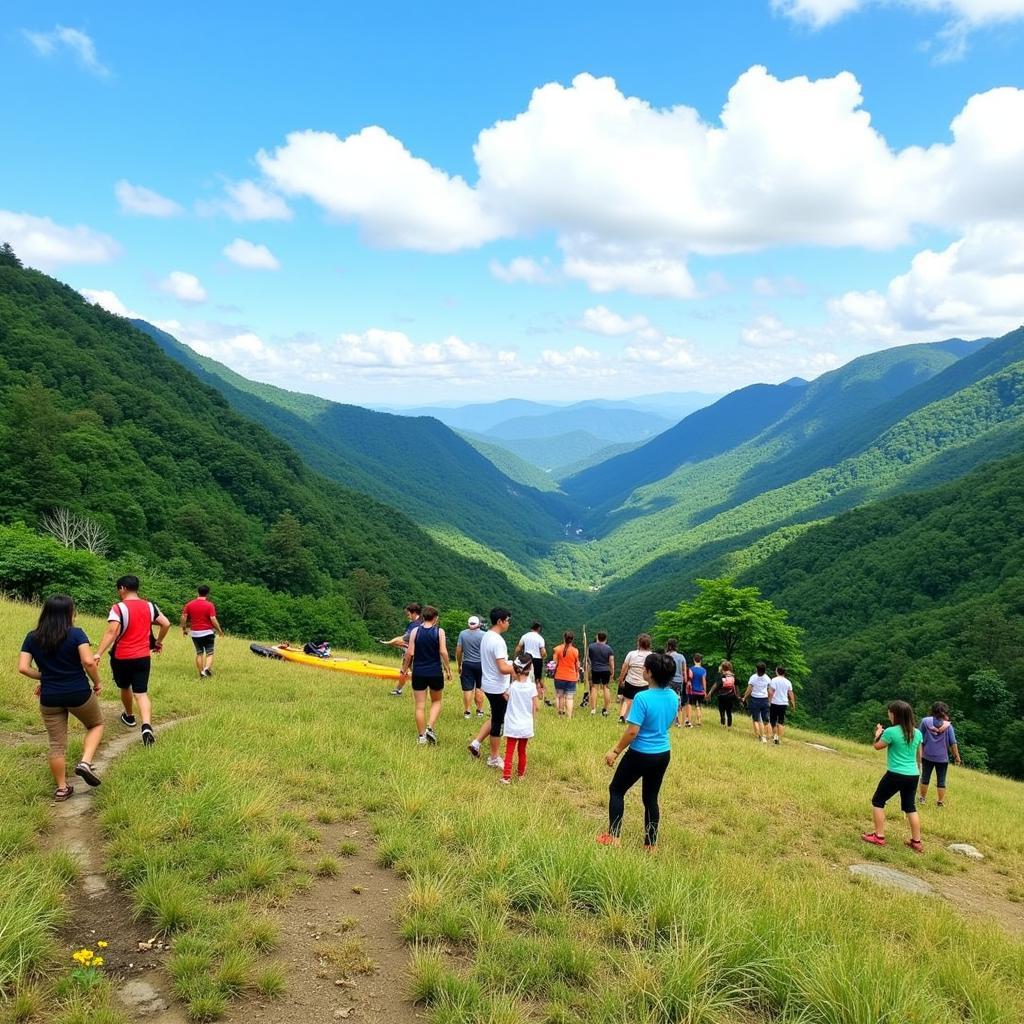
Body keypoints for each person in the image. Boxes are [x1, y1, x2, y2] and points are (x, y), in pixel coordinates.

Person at [18, 595, 105, 801]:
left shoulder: (32, 637)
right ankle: (85, 762)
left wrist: (45, 676)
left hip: (49, 696)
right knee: (96, 724)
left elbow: (23, 667)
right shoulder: (76, 634)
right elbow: (88, 662)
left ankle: (62, 789)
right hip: (78, 693)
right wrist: (98, 683)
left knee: (56, 744)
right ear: (69, 613)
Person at [598, 652, 679, 850]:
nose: (643, 670)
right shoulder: (673, 696)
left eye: (645, 668)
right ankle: (650, 845)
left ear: (650, 674)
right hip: (662, 753)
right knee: (651, 799)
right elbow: (669, 723)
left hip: (640, 753)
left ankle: (614, 838)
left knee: (616, 790)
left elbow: (633, 731)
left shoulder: (642, 697)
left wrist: (615, 751)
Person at [94, 575, 170, 747]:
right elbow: (166, 624)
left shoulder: (118, 608)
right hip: (143, 656)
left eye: (118, 590)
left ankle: (129, 716)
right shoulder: (150, 606)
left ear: (122, 588)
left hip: (122, 657)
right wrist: (158, 642)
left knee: (125, 687)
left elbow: (112, 631)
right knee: (141, 693)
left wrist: (98, 653)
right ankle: (146, 726)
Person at [862, 700, 924, 853]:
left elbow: (877, 747)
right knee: (910, 807)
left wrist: (877, 735)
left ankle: (879, 836)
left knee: (878, 801)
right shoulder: (917, 733)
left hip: (895, 773)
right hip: (913, 774)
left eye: (889, 712)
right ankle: (916, 841)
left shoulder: (891, 731)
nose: (888, 715)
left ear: (895, 714)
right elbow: (919, 755)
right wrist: (918, 770)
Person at [468, 608, 515, 767]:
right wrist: (519, 668)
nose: (509, 623)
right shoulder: (498, 641)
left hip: (488, 683)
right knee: (498, 722)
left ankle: (476, 743)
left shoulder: (487, 636)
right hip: (498, 687)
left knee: (496, 715)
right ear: (501, 621)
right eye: (508, 620)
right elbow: (502, 667)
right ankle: (494, 758)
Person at [399, 606, 451, 745]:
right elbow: (443, 652)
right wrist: (448, 669)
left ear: (423, 617)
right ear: (435, 618)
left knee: (420, 705)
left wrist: (404, 669)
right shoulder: (439, 632)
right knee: (436, 701)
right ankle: (430, 727)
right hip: (435, 672)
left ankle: (422, 737)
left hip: (419, 672)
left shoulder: (415, 631)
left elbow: (409, 653)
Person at [500, 655, 538, 785]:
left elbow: (506, 696)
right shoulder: (532, 687)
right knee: (522, 751)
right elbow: (535, 706)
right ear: (530, 669)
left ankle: (506, 777)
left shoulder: (513, 686)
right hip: (526, 724)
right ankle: (521, 775)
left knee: (509, 751)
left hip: (512, 724)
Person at [918, 702, 962, 807]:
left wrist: (919, 753)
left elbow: (919, 737)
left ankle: (922, 799)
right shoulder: (948, 726)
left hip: (927, 755)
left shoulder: (925, 722)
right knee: (941, 780)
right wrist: (957, 757)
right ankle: (940, 802)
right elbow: (953, 743)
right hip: (942, 758)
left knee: (925, 777)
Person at [180, 585, 224, 680]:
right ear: (207, 593)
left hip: (195, 633)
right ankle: (206, 669)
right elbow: (213, 619)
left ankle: (201, 674)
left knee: (199, 653)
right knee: (210, 653)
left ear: (197, 592)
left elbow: (183, 617)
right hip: (208, 632)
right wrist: (219, 630)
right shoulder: (209, 605)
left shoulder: (189, 604)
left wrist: (184, 629)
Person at [387, 603, 423, 696]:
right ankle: (398, 690)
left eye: (408, 614)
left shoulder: (416, 625)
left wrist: (394, 642)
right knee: (409, 671)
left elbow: (406, 638)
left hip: (411, 652)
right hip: (412, 651)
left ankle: (400, 690)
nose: (408, 616)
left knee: (405, 671)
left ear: (414, 613)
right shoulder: (416, 623)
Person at [616, 634, 653, 724]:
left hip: (630, 681)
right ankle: (640, 720)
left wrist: (621, 679)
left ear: (638, 643)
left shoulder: (631, 654)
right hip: (644, 683)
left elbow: (624, 668)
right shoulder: (651, 656)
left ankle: (622, 717)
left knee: (627, 700)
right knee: (643, 702)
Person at [455, 615, 486, 719]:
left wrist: (459, 664)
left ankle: (467, 711)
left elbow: (459, 650)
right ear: (478, 624)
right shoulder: (484, 635)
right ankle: (479, 711)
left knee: (467, 689)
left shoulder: (463, 634)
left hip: (467, 664)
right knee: (479, 688)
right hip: (481, 664)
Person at [514, 622, 548, 706]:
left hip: (526, 658)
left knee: (525, 676)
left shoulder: (525, 636)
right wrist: (544, 657)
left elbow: (518, 648)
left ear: (531, 628)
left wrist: (515, 657)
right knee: (537, 679)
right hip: (537, 660)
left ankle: (525, 694)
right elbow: (543, 651)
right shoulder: (540, 638)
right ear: (539, 629)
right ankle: (537, 695)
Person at [742, 661, 773, 743]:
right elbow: (770, 691)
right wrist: (769, 701)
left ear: (756, 669)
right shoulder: (768, 678)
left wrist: (744, 697)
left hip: (755, 699)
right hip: (765, 700)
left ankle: (759, 736)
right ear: (765, 670)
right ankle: (768, 736)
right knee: (766, 720)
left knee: (756, 719)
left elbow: (749, 689)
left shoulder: (753, 677)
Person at [552, 631, 581, 718]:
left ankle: (560, 715)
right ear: (572, 640)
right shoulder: (575, 651)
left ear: (563, 638)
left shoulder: (557, 649)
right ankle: (569, 717)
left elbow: (554, 663)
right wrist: (577, 673)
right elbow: (578, 665)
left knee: (559, 696)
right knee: (569, 698)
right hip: (571, 677)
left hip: (559, 676)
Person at [587, 631, 615, 717]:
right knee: (606, 688)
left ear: (597, 637)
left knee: (594, 688)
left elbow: (588, 659)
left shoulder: (591, 647)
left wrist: (588, 668)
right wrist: (612, 670)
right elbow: (611, 661)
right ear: (606, 639)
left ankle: (593, 709)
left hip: (595, 669)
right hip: (606, 670)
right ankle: (605, 709)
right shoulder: (609, 648)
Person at [705, 658, 737, 727]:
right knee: (729, 711)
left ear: (722, 668)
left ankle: (723, 724)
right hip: (730, 696)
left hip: (721, 696)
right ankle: (729, 726)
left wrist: (710, 693)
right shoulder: (733, 676)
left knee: (722, 710)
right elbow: (736, 687)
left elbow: (715, 685)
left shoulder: (722, 676)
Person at [768, 666, 795, 744]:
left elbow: (771, 692)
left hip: (775, 702)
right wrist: (793, 703)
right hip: (784, 703)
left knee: (773, 720)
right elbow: (790, 693)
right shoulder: (788, 682)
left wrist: (769, 701)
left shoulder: (774, 680)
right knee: (781, 721)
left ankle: (775, 736)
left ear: (777, 672)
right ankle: (779, 738)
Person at [665, 639, 686, 726]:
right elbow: (684, 671)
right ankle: (677, 719)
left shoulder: (666, 656)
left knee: (667, 699)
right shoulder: (681, 657)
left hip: (669, 681)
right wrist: (685, 681)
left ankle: (668, 718)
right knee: (677, 699)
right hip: (679, 681)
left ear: (669, 646)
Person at [684, 649, 706, 727]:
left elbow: (688, 680)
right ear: (701, 660)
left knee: (689, 704)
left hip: (692, 691)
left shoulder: (691, 669)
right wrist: (705, 691)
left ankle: (689, 721)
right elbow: (703, 681)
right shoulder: (703, 670)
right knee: (698, 706)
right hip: (700, 691)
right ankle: (699, 722)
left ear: (694, 660)